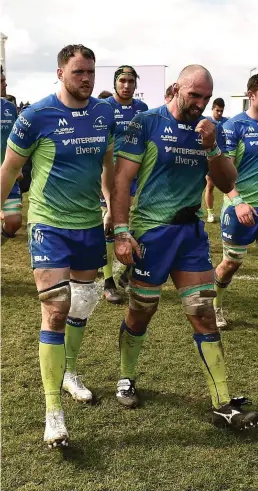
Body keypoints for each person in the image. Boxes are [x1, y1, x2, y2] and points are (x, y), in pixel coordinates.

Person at [111, 64, 258, 431]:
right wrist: (120, 232)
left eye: (206, 98)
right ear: (176, 88)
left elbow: (227, 181)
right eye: (195, 95)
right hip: (151, 233)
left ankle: (222, 402)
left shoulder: (211, 130)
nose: (200, 104)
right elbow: (122, 180)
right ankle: (126, 376)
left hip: (190, 233)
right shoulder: (146, 123)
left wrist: (211, 146)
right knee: (142, 310)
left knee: (202, 311)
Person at [1, 44, 115, 447]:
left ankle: (69, 371)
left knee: (84, 304)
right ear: (61, 72)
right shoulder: (35, 117)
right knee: (56, 310)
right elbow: (10, 169)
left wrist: (110, 209)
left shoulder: (105, 115)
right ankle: (54, 414)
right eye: (79, 72)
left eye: (91, 72)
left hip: (88, 226)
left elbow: (107, 163)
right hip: (49, 225)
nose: (87, 79)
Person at [214, 71, 258, 339]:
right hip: (241, 210)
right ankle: (216, 305)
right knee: (230, 264)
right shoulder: (233, 128)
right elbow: (223, 174)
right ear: (251, 95)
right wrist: (237, 202)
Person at [102, 66, 148, 304]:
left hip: (137, 176)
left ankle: (128, 273)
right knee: (111, 225)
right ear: (115, 83)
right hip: (112, 175)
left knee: (135, 224)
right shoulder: (105, 107)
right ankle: (108, 280)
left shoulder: (142, 109)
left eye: (131, 81)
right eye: (122, 81)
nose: (127, 85)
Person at [1, 66, 22, 241]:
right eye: (1, 81)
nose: (5, 83)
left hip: (8, 171)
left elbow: (17, 139)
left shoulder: (9, 107)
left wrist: (19, 167)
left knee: (14, 222)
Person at [205, 98, 228, 223]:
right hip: (210, 159)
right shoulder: (206, 122)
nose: (219, 113)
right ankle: (210, 213)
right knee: (210, 186)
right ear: (212, 109)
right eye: (217, 110)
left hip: (225, 158)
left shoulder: (228, 122)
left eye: (221, 111)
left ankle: (227, 211)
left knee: (229, 186)